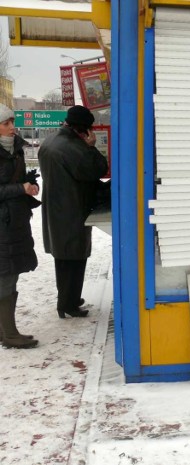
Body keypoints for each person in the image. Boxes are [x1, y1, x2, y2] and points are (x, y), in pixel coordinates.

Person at [38, 105, 108, 319]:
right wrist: (92, 147)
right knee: (75, 258)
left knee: (63, 257)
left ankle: (68, 298)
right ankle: (68, 304)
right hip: (72, 208)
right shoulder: (73, 147)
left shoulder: (51, 141)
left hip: (56, 206)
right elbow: (98, 169)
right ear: (83, 129)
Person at [0, 104, 41, 348]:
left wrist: (29, 184)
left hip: (15, 221)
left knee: (10, 274)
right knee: (6, 275)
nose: (12, 127)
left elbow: (13, 180)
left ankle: (5, 331)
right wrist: (20, 189)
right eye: (5, 123)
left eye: (12, 122)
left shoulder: (16, 149)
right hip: (3, 224)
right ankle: (10, 333)